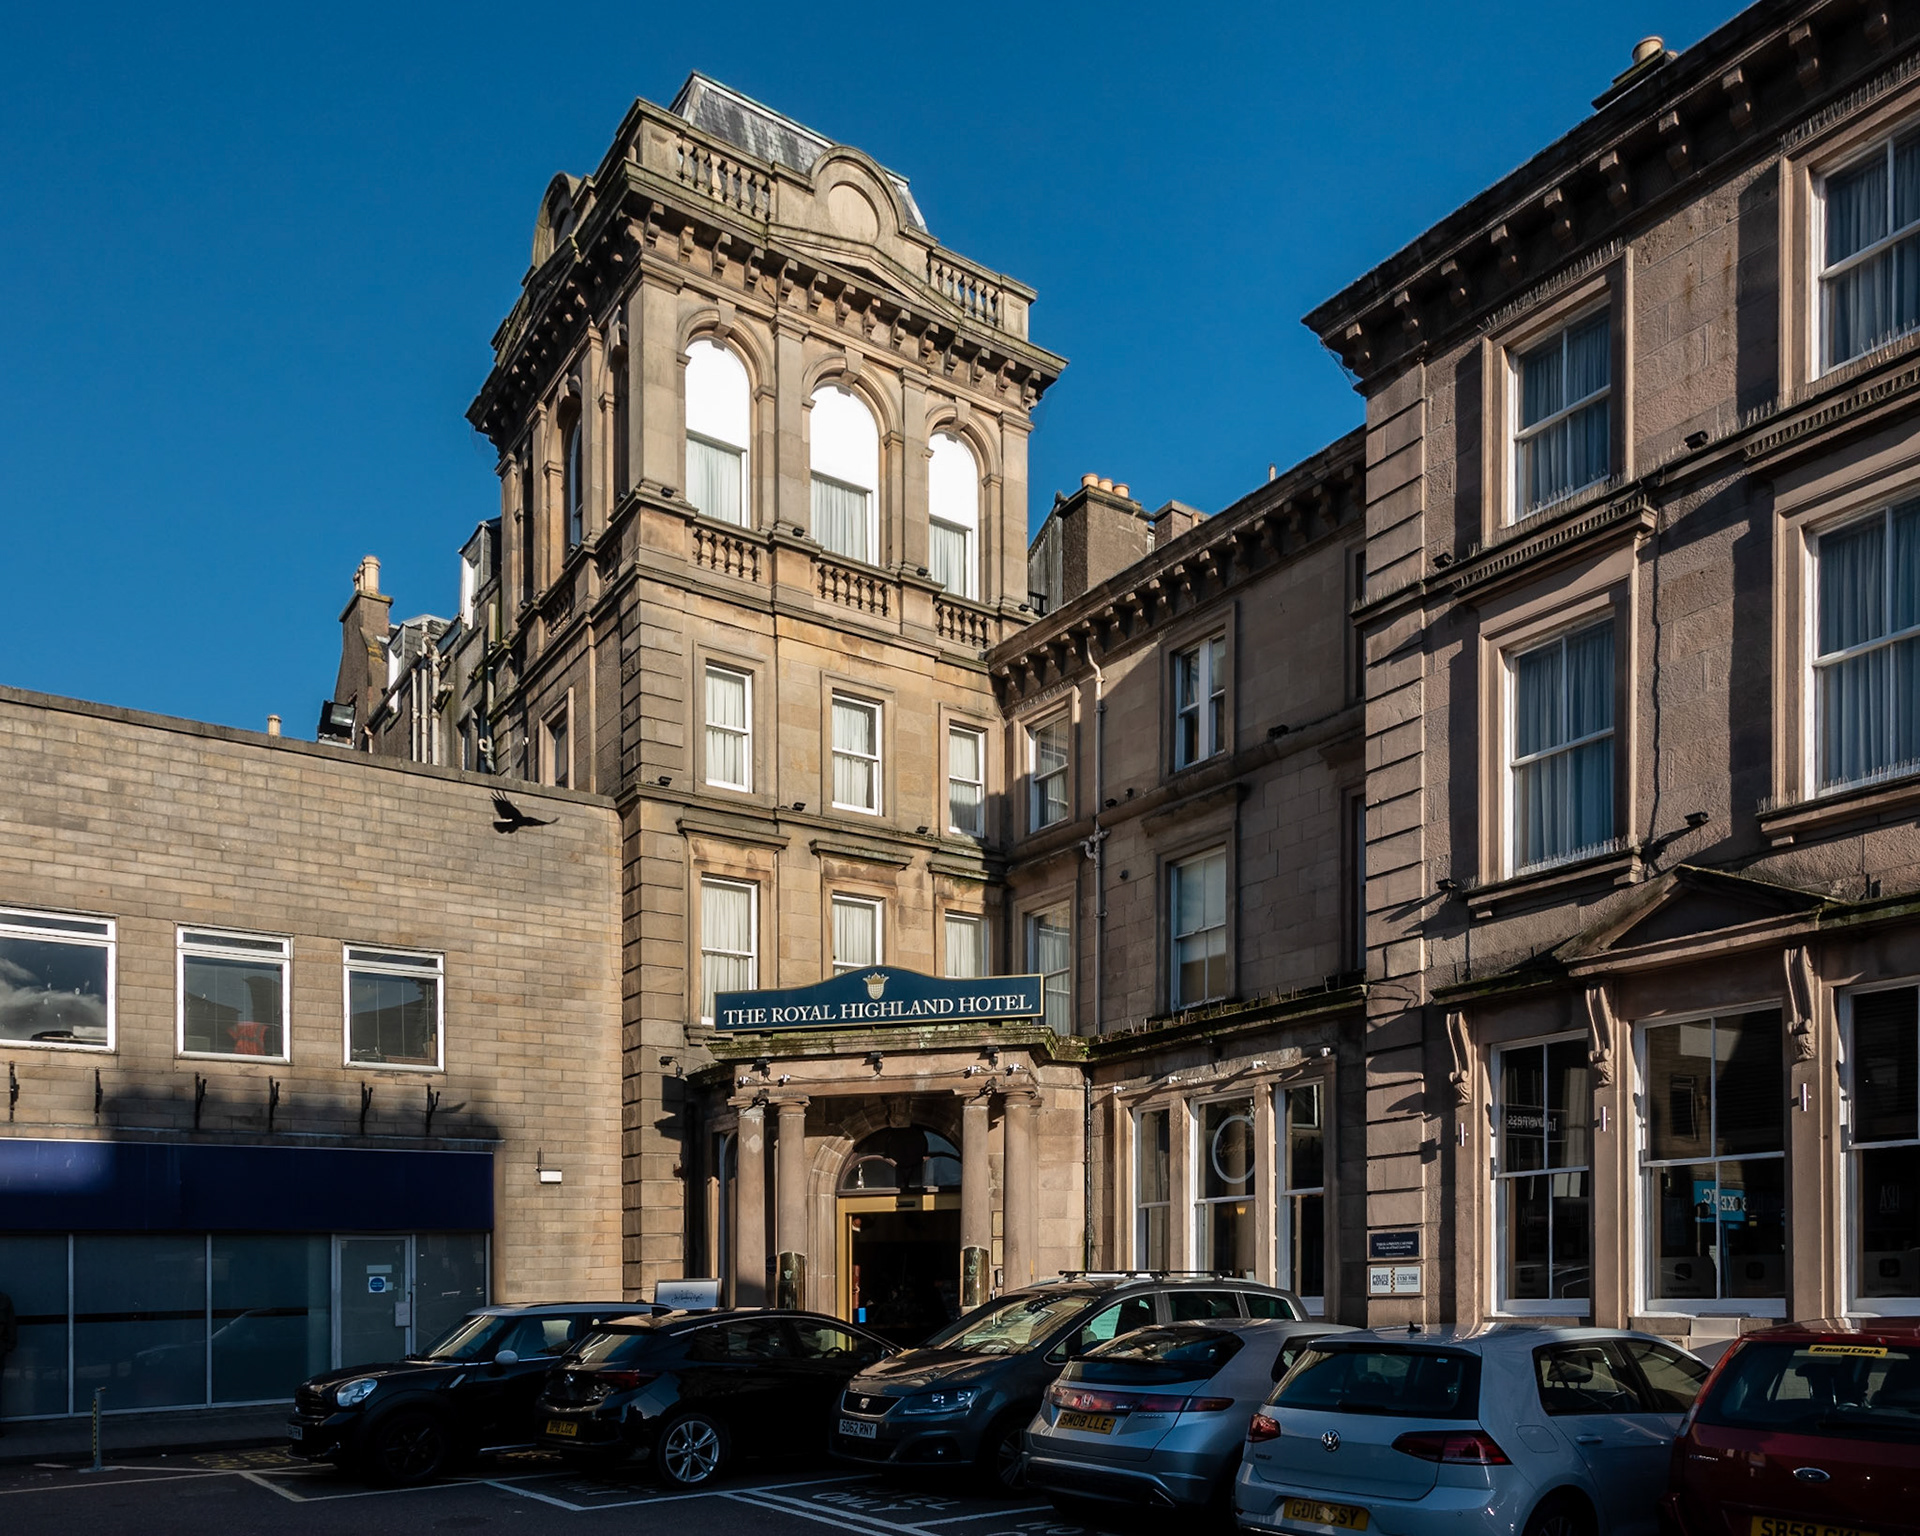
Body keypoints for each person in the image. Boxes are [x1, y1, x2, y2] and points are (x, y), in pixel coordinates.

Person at [0, 1288, 16, 1436]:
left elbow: (10, 1324)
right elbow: (10, 1324)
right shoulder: (4, 1299)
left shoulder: (4, 1300)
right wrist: (8, 1345)